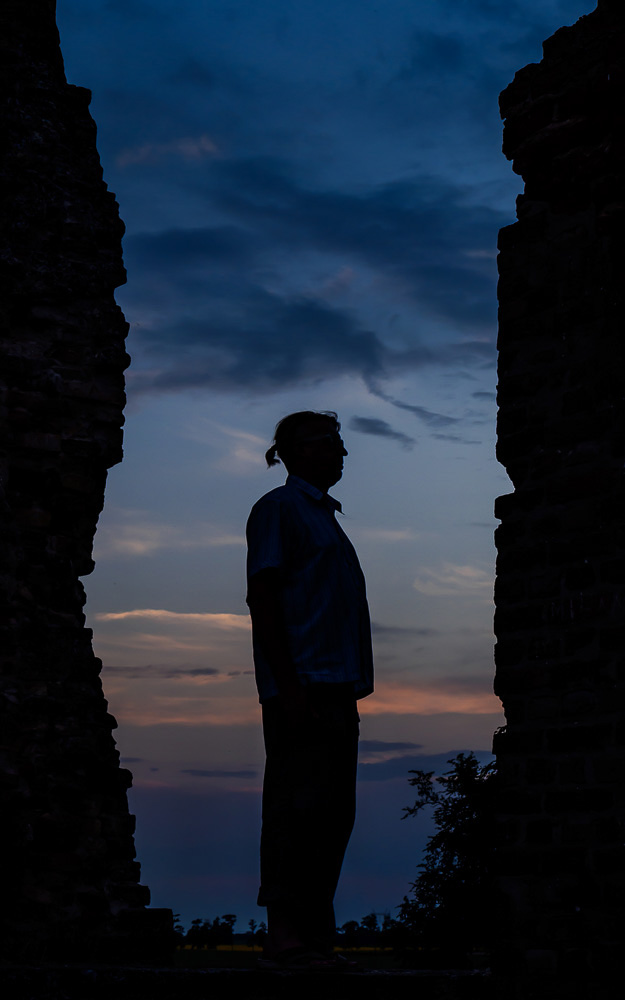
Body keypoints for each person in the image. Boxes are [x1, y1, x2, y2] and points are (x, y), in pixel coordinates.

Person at [246, 410, 374, 971]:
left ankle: (315, 936)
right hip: (303, 688)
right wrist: (289, 689)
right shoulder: (279, 509)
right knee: (294, 810)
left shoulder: (325, 518)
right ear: (296, 451)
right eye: (330, 442)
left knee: (332, 816)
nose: (341, 452)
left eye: (339, 443)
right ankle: (284, 936)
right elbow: (263, 598)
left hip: (337, 687)